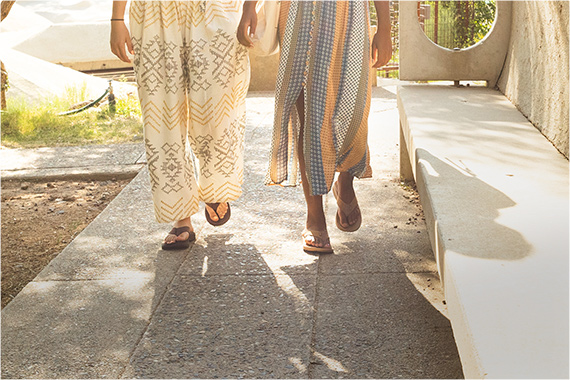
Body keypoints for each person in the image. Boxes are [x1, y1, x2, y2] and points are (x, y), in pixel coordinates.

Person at [238, 1, 392, 253]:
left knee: (353, 109)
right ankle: (314, 217)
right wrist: (249, 7)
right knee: (308, 112)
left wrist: (384, 28)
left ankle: (345, 180)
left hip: (349, 14)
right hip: (299, 13)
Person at [111, 1, 250, 249]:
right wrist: (117, 19)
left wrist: (250, 7)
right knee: (162, 114)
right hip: (155, 12)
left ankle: (215, 186)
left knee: (218, 109)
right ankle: (181, 215)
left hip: (213, 8)